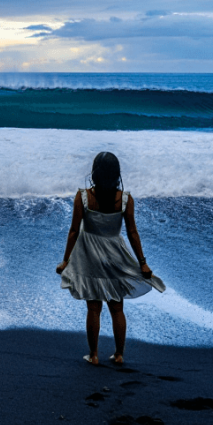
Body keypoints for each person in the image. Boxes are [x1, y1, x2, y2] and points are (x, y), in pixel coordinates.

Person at [56, 152, 164, 365]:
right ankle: (119, 354)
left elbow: (73, 231)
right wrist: (142, 262)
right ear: (117, 174)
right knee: (117, 308)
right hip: (116, 255)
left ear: (94, 173)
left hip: (90, 256)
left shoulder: (83, 197)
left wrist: (66, 260)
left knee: (93, 307)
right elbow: (133, 233)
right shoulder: (125, 199)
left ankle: (94, 355)